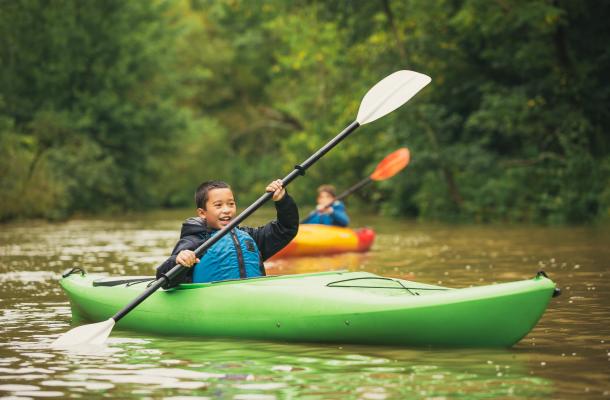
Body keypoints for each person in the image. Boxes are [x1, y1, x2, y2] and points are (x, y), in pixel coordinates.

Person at [156, 179, 298, 287]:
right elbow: (163, 278)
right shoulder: (194, 241)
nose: (227, 210)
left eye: (231, 204)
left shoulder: (249, 237)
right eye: (218, 205)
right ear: (202, 213)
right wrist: (178, 260)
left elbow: (286, 229)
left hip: (252, 300)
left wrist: (282, 200)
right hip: (212, 307)